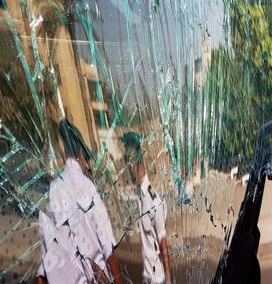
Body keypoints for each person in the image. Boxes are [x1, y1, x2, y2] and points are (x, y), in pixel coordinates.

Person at [37, 118, 122, 284]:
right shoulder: (87, 187)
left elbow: (44, 266)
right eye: (87, 160)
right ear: (80, 156)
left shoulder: (52, 190)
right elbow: (107, 247)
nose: (89, 167)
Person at [122, 131, 172, 284]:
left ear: (134, 164)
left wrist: (169, 279)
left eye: (128, 163)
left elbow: (163, 242)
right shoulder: (141, 196)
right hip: (147, 278)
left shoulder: (152, 199)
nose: (127, 169)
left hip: (157, 280)